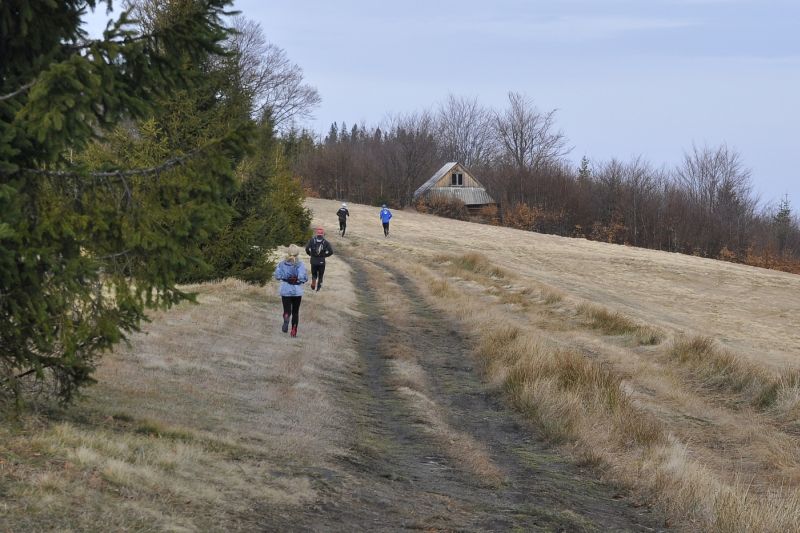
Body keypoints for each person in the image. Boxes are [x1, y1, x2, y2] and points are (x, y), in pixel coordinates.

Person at [273, 244, 308, 337]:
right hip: (297, 290)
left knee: (287, 310)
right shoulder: (300, 264)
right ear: (298, 253)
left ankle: (286, 316)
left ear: (288, 252)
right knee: (295, 312)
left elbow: (277, 276)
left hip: (285, 289)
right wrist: (301, 280)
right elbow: (303, 277)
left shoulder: (282, 264)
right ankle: (294, 330)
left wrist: (285, 277)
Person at [305, 227, 334, 291]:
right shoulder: (326, 242)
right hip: (321, 261)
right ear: (323, 234)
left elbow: (307, 249)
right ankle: (318, 289)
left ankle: (313, 281)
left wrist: (310, 254)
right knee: (321, 276)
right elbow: (331, 252)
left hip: (313, 261)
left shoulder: (312, 240)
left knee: (314, 274)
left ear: (316, 234)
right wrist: (325, 256)